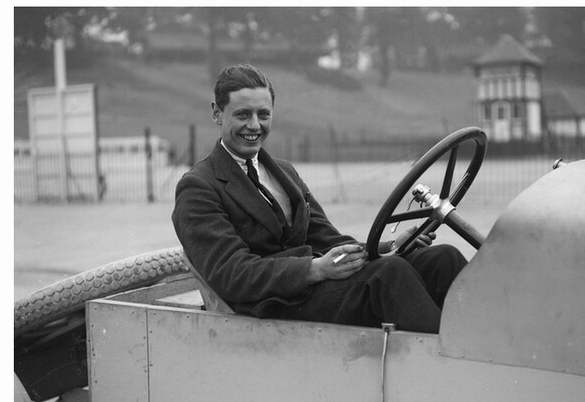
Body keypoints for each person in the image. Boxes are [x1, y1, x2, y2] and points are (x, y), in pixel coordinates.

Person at [172, 64, 467, 333]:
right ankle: (455, 363)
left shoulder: (283, 172)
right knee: (388, 275)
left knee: (441, 259)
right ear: (216, 113)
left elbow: (328, 240)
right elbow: (232, 275)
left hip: (312, 287)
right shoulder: (199, 188)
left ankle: (486, 345)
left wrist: (392, 245)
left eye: (263, 114)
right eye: (242, 115)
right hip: (270, 304)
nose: (254, 126)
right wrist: (314, 269)